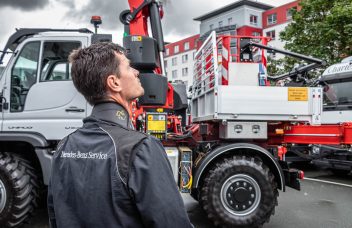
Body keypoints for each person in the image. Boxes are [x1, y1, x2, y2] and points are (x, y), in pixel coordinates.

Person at [47, 42, 193, 228]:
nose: (136, 72)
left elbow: (55, 217)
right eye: (128, 66)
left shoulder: (63, 146)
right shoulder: (141, 148)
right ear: (114, 83)